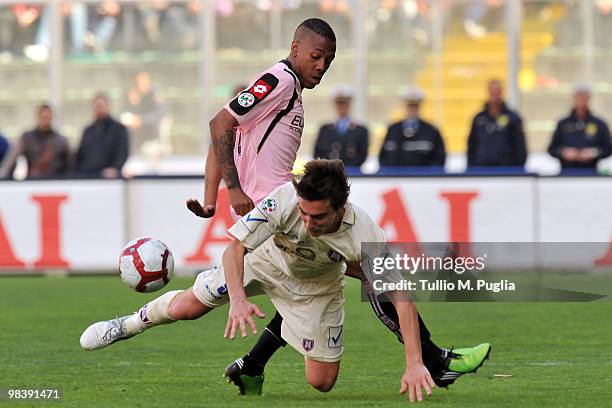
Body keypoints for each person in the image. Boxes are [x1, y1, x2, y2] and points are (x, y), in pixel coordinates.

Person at [186, 19, 489, 395]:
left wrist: (213, 197)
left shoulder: (289, 88)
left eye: (328, 60)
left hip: (283, 215)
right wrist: (231, 189)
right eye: (316, 56)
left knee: (322, 280)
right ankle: (435, 361)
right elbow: (221, 125)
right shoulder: (278, 81)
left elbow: (226, 132)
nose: (321, 66)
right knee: (375, 275)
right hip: (281, 216)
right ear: (295, 49)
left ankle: (253, 364)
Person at [81, 160, 489, 402]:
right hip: (264, 263)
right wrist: (238, 299)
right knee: (188, 308)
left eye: (319, 217)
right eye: (305, 214)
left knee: (322, 383)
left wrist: (414, 363)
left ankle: (253, 364)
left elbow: (400, 296)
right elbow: (235, 249)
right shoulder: (283, 199)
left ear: (341, 206)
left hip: (317, 288)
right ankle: (128, 324)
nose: (309, 222)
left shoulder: (365, 232)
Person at [548, 84, 612, 172]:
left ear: (589, 99)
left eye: (585, 97)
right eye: (579, 97)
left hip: (591, 172)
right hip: (566, 173)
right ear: (574, 98)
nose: (582, 101)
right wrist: (563, 152)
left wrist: (594, 152)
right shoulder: (563, 124)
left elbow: (608, 148)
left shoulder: (599, 124)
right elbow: (552, 148)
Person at [378, 87, 446, 167]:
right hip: (397, 178)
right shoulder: (393, 129)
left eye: (415, 106)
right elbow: (383, 157)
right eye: (410, 105)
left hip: (424, 178)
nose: (412, 109)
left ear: (419, 106)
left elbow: (439, 159)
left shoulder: (431, 130)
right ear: (405, 106)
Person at [466, 79, 527, 168]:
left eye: (497, 92)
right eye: (492, 92)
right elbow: (471, 145)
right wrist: (472, 166)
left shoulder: (513, 118)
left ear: (502, 93)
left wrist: (517, 168)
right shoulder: (479, 119)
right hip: (482, 170)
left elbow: (520, 146)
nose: (495, 96)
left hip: (507, 170)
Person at [0, 104, 71, 179]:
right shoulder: (27, 138)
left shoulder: (61, 140)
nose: (46, 120)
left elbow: (70, 165)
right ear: (37, 117)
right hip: (33, 181)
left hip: (57, 182)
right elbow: (10, 160)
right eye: (43, 117)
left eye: (48, 117)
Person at [313, 84, 369, 168]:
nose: (342, 108)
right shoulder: (325, 129)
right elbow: (317, 153)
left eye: (345, 105)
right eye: (339, 105)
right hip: (329, 173)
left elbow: (362, 155)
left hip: (352, 173)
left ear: (349, 106)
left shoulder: (361, 130)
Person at [75, 93, 129, 178]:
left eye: (100, 106)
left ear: (108, 107)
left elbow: (122, 152)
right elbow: (80, 155)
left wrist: (115, 168)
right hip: (87, 177)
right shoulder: (88, 130)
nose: (98, 110)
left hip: (109, 178)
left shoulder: (119, 129)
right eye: (96, 107)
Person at [121, 70, 167, 154]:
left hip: (152, 126)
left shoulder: (155, 93)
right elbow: (125, 113)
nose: (142, 84)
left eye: (144, 82)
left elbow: (161, 112)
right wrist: (134, 104)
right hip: (136, 127)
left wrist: (142, 119)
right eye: (139, 82)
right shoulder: (133, 93)